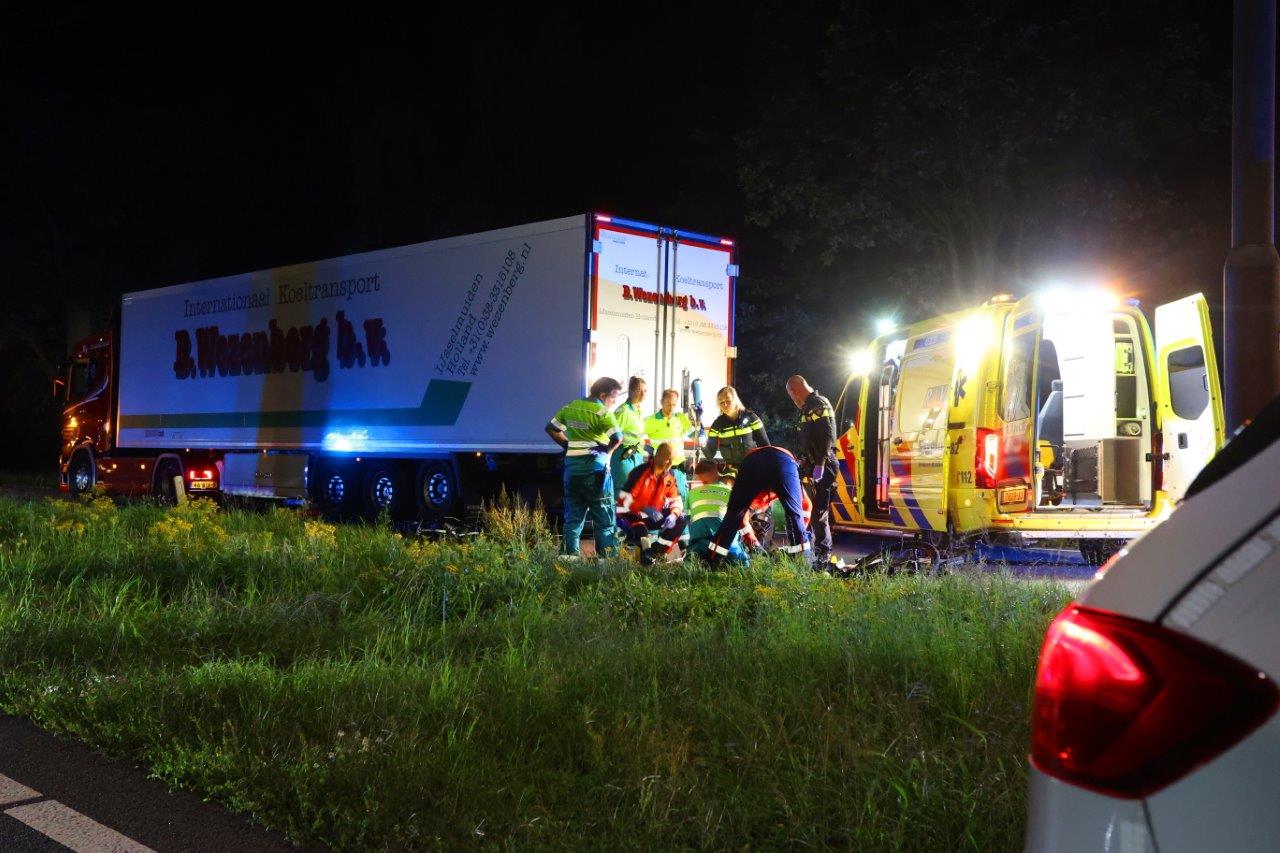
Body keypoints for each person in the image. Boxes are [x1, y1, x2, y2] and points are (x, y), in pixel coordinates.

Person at [546, 377, 624, 558]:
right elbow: (617, 438)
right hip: (596, 473)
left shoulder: (571, 406)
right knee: (604, 521)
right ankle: (605, 563)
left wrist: (568, 445)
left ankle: (568, 560)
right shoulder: (602, 411)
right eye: (613, 398)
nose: (614, 403)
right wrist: (608, 453)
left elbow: (551, 428)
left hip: (572, 472)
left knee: (573, 519)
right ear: (603, 395)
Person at [706, 446, 811, 563]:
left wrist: (751, 541)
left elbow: (740, 517)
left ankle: (711, 562)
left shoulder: (753, 497)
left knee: (733, 515)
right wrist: (800, 529)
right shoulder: (765, 495)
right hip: (782, 460)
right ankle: (803, 564)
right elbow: (806, 505)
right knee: (794, 515)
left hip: (753, 461)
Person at [704, 385, 772, 547]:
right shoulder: (718, 424)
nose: (725, 405)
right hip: (732, 470)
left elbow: (765, 445)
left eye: (728, 401)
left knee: (758, 507)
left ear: (735, 400)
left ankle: (761, 541)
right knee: (733, 508)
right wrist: (701, 435)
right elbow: (709, 453)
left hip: (753, 467)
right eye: (721, 403)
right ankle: (737, 541)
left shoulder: (751, 418)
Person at [786, 374, 838, 569]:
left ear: (795, 391)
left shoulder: (818, 404)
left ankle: (823, 556)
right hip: (812, 464)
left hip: (824, 464)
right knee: (807, 508)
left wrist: (821, 463)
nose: (793, 400)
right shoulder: (808, 407)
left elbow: (827, 436)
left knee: (819, 512)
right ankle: (809, 549)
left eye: (792, 396)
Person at [616, 442, 688, 565]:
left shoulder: (669, 477)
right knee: (641, 532)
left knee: (681, 520)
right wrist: (644, 507)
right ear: (658, 456)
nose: (670, 464)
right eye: (668, 460)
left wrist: (673, 515)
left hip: (652, 516)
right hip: (629, 514)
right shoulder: (640, 472)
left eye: (671, 461)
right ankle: (646, 555)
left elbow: (676, 500)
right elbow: (624, 500)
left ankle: (654, 552)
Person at [686, 460, 750, 561]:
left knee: (693, 560)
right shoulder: (729, 492)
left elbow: (687, 517)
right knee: (742, 561)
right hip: (725, 545)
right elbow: (742, 520)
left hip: (699, 544)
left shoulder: (692, 493)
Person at [643, 389, 696, 503]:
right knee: (662, 502)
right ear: (661, 402)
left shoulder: (680, 418)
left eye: (674, 405)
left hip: (678, 470)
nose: (671, 408)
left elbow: (695, 436)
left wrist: (698, 420)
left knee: (681, 501)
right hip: (662, 470)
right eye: (668, 404)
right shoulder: (650, 421)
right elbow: (635, 435)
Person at [611, 376, 650, 499]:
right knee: (623, 493)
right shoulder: (623, 411)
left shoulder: (638, 410)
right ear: (632, 391)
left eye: (645, 390)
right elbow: (610, 434)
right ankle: (618, 517)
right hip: (624, 457)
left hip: (635, 456)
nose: (644, 393)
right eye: (640, 390)